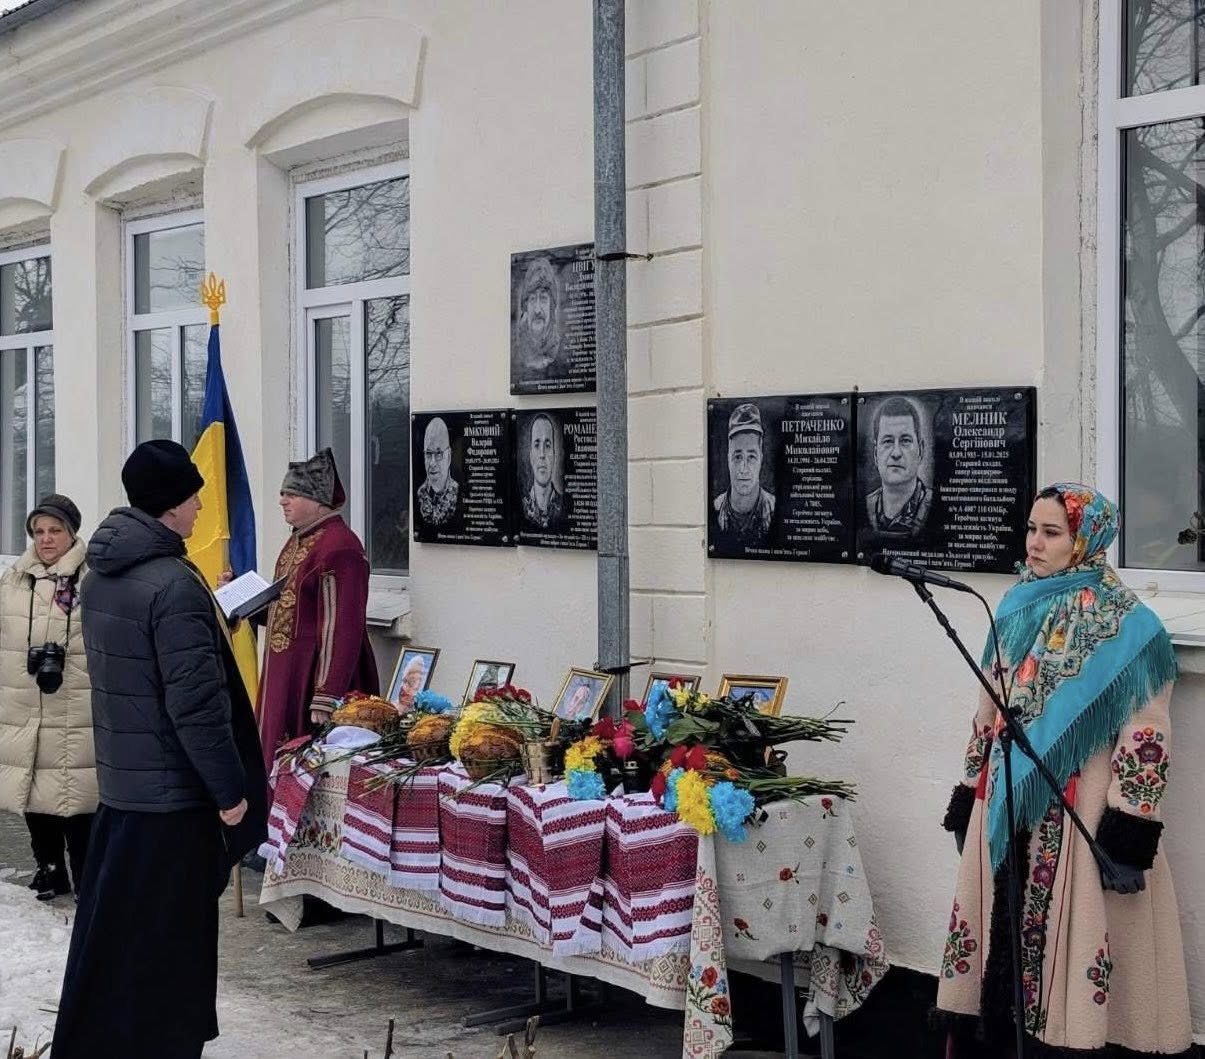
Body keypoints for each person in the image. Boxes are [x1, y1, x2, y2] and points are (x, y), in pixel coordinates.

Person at [935, 484, 1193, 1058]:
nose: (1034, 543)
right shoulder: (1015, 605)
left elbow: (1147, 734)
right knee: (998, 943)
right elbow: (987, 706)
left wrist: (1130, 830)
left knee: (1069, 946)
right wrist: (970, 793)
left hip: (1079, 808)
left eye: (1051, 532)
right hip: (1005, 797)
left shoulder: (1131, 626)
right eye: (1031, 529)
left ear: (1085, 540)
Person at [53, 440, 267, 1058]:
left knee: (117, 948)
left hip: (125, 791)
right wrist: (231, 795)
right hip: (174, 801)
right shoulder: (171, 584)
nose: (202, 505)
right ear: (171, 505)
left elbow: (140, 674)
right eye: (194, 494)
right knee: (169, 956)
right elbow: (195, 708)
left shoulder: (102, 574)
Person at [256, 448, 378, 776]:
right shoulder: (298, 540)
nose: (283, 501)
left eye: (292, 494)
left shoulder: (339, 547)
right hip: (284, 675)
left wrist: (327, 694)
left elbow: (342, 625)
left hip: (312, 681)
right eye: (282, 493)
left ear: (318, 499)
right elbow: (290, 608)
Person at [0, 494, 95, 900]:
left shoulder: (92, 577)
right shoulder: (15, 578)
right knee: (33, 790)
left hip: (75, 702)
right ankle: (49, 868)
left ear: (72, 532)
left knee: (78, 793)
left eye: (55, 530)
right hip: (24, 702)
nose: (46, 539)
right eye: (39, 532)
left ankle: (88, 874)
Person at [864, 395, 931, 539]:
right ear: (876, 454)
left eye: (905, 441)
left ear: (921, 450)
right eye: (887, 441)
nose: (896, 453)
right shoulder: (864, 507)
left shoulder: (935, 507)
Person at [711, 402, 775, 548]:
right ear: (728, 459)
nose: (743, 469)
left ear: (761, 458)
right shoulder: (714, 510)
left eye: (751, 457)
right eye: (737, 457)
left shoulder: (774, 511)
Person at [514, 255, 566, 382]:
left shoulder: (558, 351)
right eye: (532, 299)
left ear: (552, 305)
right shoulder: (520, 350)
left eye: (543, 299)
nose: (537, 310)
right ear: (525, 307)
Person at [522, 413, 569, 530]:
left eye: (547, 446)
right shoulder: (521, 506)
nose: (542, 454)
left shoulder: (566, 505)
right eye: (537, 445)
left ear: (554, 455)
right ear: (531, 455)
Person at [416, 417, 459, 527]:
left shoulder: (458, 492)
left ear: (448, 457)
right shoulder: (420, 493)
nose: (432, 463)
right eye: (428, 454)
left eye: (439, 454)